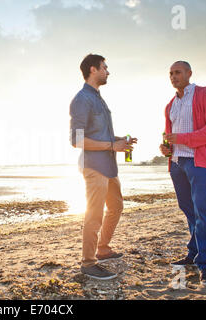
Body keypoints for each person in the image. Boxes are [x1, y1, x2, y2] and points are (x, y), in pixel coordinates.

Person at [70, 54, 137, 280]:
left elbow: (101, 134)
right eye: (104, 67)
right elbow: (77, 140)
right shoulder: (82, 100)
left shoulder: (98, 98)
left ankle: (103, 248)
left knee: (116, 207)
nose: (108, 71)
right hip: (94, 167)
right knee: (94, 215)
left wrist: (120, 141)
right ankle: (88, 263)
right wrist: (111, 145)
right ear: (93, 69)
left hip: (109, 166)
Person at [160, 61, 206, 286]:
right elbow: (170, 137)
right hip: (177, 163)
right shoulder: (170, 105)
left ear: (189, 73)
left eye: (177, 72)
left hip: (199, 162)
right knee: (189, 211)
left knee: (204, 212)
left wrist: (183, 139)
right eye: (170, 73)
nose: (173, 76)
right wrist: (166, 149)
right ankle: (195, 251)